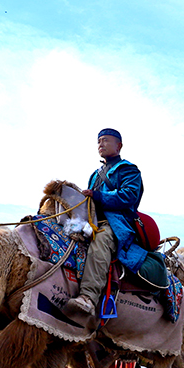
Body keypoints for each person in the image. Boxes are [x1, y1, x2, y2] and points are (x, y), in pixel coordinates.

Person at [64, 128, 147, 317]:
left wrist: (98, 195)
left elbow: (129, 196)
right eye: (99, 141)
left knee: (100, 241)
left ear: (119, 146)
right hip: (91, 222)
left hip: (116, 224)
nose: (101, 144)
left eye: (106, 140)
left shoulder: (129, 170)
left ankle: (88, 298)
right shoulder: (95, 174)